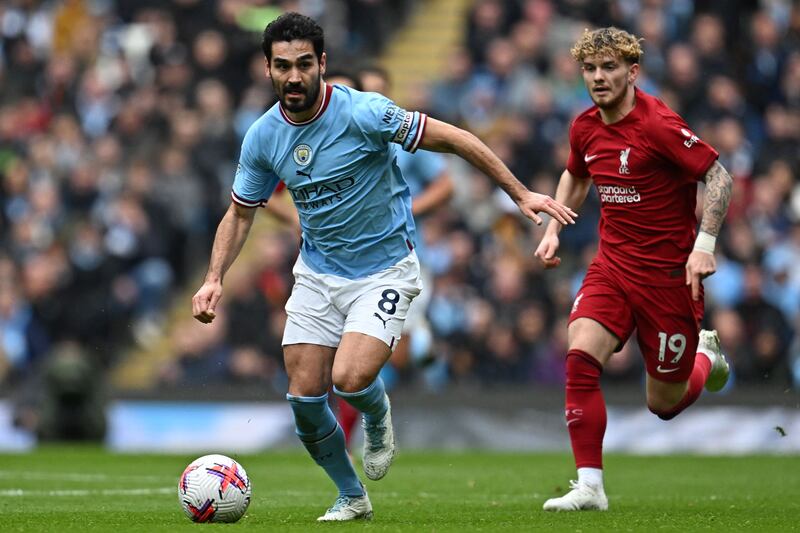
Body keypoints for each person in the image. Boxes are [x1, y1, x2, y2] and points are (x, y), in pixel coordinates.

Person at [192, 12, 576, 522]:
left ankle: (377, 413)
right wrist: (214, 277)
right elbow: (241, 213)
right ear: (267, 69)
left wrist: (521, 193)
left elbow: (457, 139)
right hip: (317, 273)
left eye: (304, 63)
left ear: (322, 63)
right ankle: (351, 495)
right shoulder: (263, 137)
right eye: (282, 65)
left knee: (350, 378)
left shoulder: (366, 113)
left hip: (385, 270)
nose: (293, 76)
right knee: (304, 398)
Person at [534, 27, 733, 512]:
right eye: (590, 69)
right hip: (613, 265)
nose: (598, 78)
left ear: (632, 72)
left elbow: (719, 176)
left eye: (609, 68)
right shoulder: (584, 127)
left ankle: (705, 357)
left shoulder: (659, 125)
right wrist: (553, 228)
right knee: (579, 353)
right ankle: (590, 487)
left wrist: (704, 245)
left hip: (668, 279)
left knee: (662, 404)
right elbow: (576, 173)